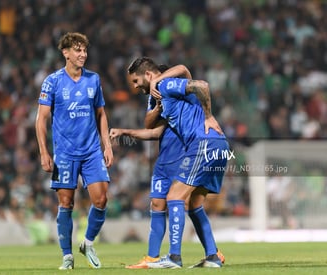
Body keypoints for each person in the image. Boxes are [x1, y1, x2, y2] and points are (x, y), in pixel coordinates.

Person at [109, 64, 223, 269]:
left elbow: (200, 83)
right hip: (216, 144)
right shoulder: (162, 100)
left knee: (174, 197)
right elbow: (150, 127)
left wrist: (208, 115)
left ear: (149, 75)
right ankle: (213, 256)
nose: (134, 86)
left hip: (204, 143)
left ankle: (174, 258)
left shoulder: (165, 85)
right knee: (194, 203)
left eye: (136, 81)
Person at [35, 32, 113, 270]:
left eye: (85, 50)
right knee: (66, 203)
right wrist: (44, 152)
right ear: (65, 53)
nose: (82, 54)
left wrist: (107, 144)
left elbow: (100, 113)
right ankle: (67, 256)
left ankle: (87, 242)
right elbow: (41, 119)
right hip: (64, 154)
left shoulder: (94, 79)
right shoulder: (53, 81)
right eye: (77, 50)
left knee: (101, 199)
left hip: (91, 152)